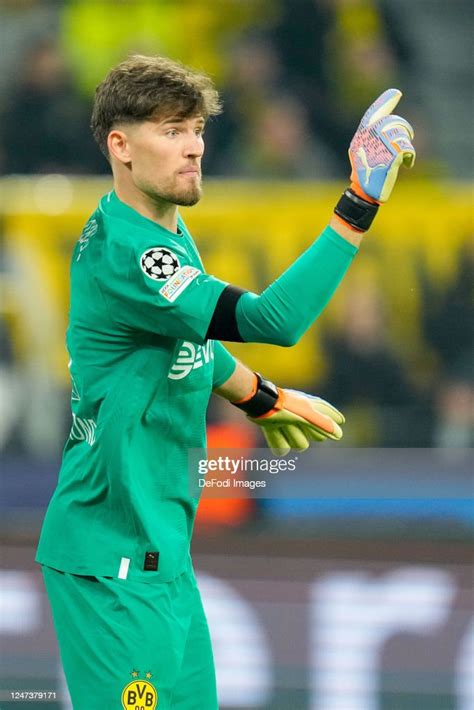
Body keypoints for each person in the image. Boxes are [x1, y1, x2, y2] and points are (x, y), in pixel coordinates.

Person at [35, 55, 415, 709]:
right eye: (171, 131)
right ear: (120, 146)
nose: (193, 148)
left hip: (161, 562)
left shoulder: (165, 232)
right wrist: (359, 202)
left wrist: (260, 397)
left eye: (196, 130)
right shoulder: (133, 252)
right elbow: (275, 320)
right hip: (113, 567)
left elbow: (182, 342)